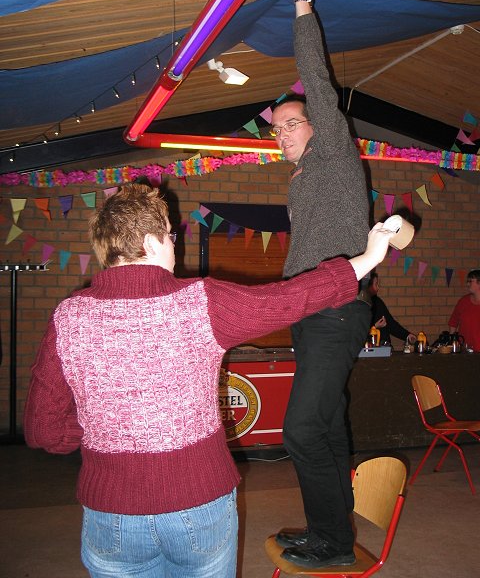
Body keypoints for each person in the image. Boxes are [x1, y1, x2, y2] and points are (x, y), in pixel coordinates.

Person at [23, 183, 393, 578]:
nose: (174, 244)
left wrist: (98, 433)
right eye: (170, 235)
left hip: (110, 513)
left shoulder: (68, 317)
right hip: (198, 504)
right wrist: (368, 257)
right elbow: (289, 298)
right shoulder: (200, 302)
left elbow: (42, 430)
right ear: (149, 242)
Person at [270, 0, 374, 569]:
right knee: (328, 428)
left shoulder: (334, 151)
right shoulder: (306, 178)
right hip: (313, 313)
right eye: (277, 128)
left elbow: (316, 76)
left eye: (291, 123)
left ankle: (332, 542)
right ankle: (329, 531)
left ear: (318, 126)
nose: (281, 133)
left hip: (336, 310)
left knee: (301, 431)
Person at [367, 272, 416, 346]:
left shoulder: (377, 302)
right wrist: (374, 327)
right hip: (369, 349)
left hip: (384, 346)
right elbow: (357, 332)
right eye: (376, 284)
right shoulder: (360, 305)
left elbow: (390, 323)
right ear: (369, 286)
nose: (378, 288)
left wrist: (407, 335)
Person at [448, 269, 480, 352]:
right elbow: (453, 322)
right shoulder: (463, 301)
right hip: (465, 350)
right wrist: (452, 342)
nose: (467, 284)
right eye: (467, 281)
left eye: (470, 281)